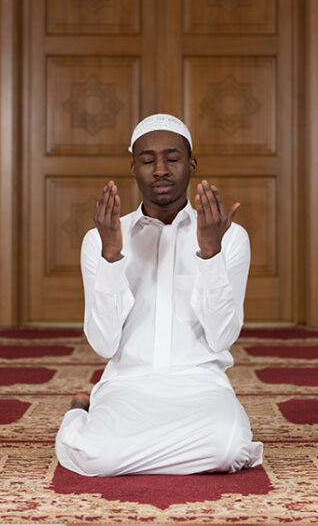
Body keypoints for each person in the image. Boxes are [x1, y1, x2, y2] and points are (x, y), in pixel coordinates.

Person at [55, 113, 263, 477]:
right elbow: (104, 344)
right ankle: (78, 411)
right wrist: (111, 257)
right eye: (148, 160)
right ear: (133, 168)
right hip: (128, 385)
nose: (161, 170)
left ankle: (134, 445)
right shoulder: (101, 238)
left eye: (172, 158)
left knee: (230, 450)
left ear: (192, 164)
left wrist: (210, 253)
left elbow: (222, 337)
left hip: (200, 384)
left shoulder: (229, 237)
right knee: (94, 458)